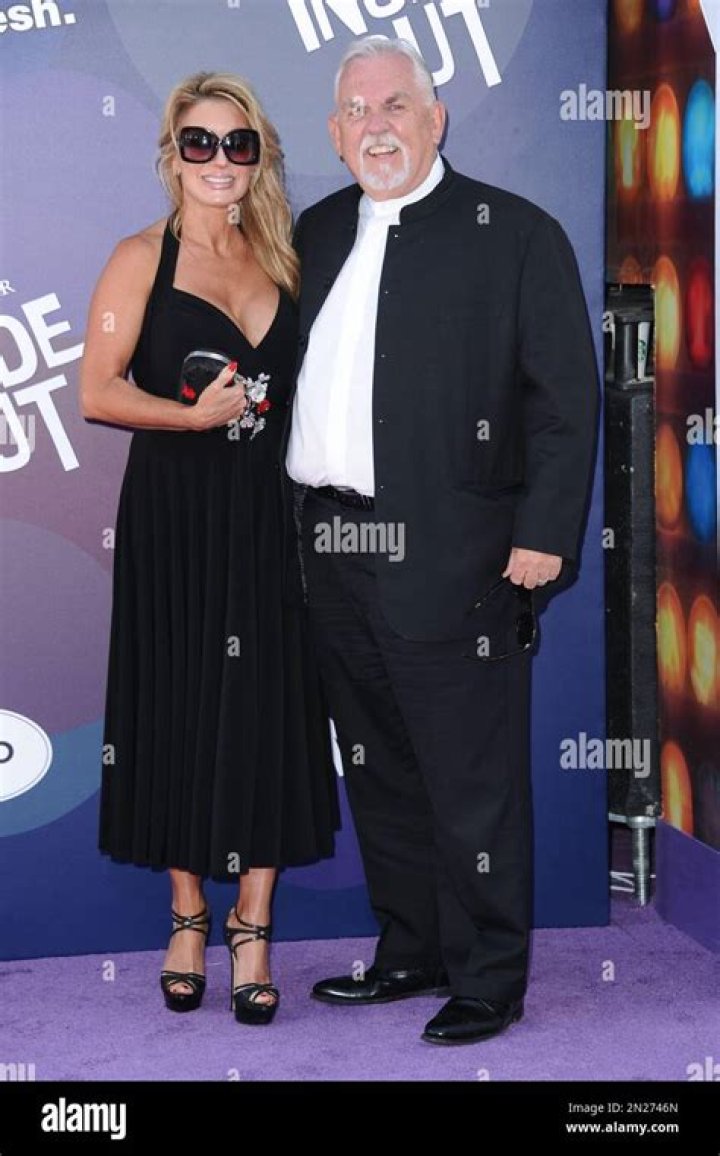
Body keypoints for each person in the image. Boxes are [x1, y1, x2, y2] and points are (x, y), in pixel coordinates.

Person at [284, 36, 599, 1045]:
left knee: (473, 780)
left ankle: (489, 975)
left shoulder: (516, 234)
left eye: (394, 106)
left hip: (457, 552)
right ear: (334, 133)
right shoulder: (317, 231)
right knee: (379, 767)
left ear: (436, 117)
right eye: (356, 111)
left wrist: (544, 533)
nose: (375, 126)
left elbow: (565, 401)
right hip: (331, 546)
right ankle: (411, 947)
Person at [80, 72, 338, 1026]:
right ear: (172, 155)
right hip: (177, 518)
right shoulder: (139, 258)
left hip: (271, 516)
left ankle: (253, 925)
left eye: (239, 143)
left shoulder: (286, 255)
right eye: (200, 142)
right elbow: (97, 391)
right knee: (180, 702)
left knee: (268, 708)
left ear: (260, 156)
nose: (219, 160)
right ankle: (188, 914)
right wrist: (192, 418)